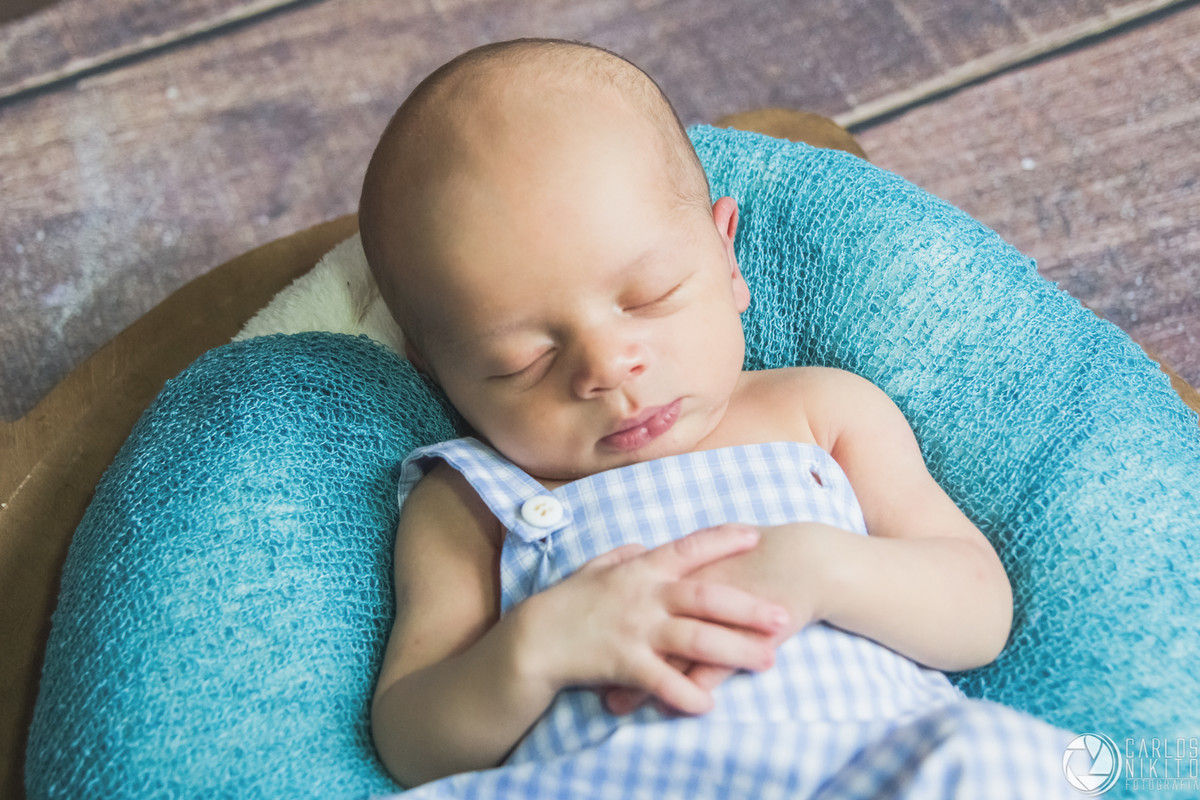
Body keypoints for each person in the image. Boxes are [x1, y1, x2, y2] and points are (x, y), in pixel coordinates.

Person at [358, 37, 1083, 798]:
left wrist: (823, 567)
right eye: (522, 361)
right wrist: (532, 652)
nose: (607, 369)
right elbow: (413, 743)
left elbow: (977, 608)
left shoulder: (819, 410)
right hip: (613, 780)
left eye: (651, 297)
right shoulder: (471, 499)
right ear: (433, 371)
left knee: (993, 759)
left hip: (871, 763)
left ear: (727, 258)